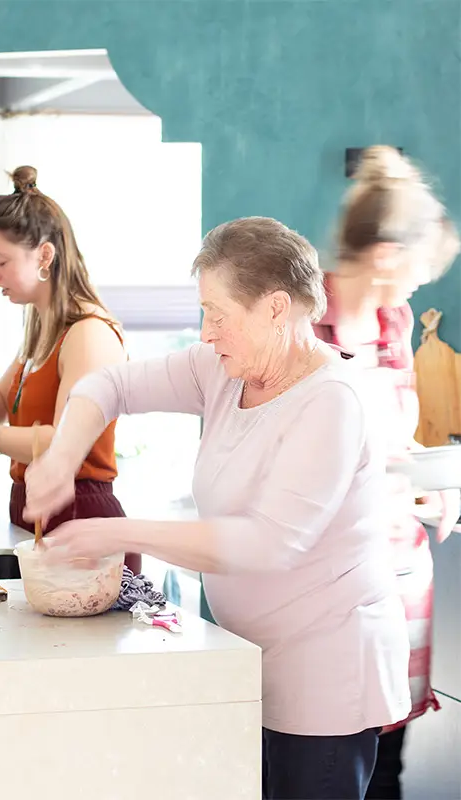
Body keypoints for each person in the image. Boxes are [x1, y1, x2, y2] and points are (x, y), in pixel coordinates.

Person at [24, 215, 412, 800]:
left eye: (218, 313)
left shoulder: (332, 401)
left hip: (327, 674)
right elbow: (109, 386)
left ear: (277, 308)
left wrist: (117, 532)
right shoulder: (224, 372)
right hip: (244, 660)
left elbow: (268, 543)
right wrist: (59, 457)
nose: (206, 332)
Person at [315, 145, 460, 800]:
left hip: (398, 577)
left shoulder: (394, 321)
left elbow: (395, 443)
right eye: (417, 270)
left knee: (386, 766)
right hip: (323, 589)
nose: (418, 286)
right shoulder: (297, 323)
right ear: (385, 256)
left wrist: (430, 488)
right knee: (324, 765)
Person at [0, 165, 141, 574]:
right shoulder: (42, 325)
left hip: (81, 514)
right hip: (33, 509)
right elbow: (5, 404)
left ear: (45, 256)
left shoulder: (88, 333)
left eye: (0, 260)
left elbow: (64, 442)